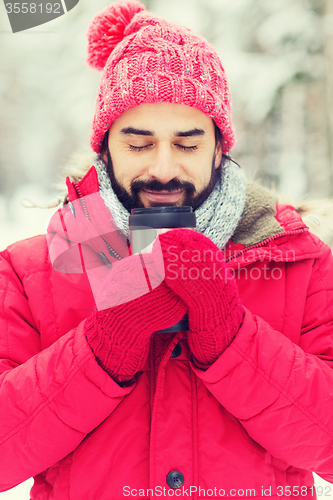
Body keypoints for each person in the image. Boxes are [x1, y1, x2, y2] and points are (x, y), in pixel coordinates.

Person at [0, 1, 333, 498]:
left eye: (187, 143)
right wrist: (102, 348)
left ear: (220, 147)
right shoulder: (33, 271)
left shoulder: (295, 261)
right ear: (104, 147)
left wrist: (231, 336)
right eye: (138, 143)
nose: (162, 168)